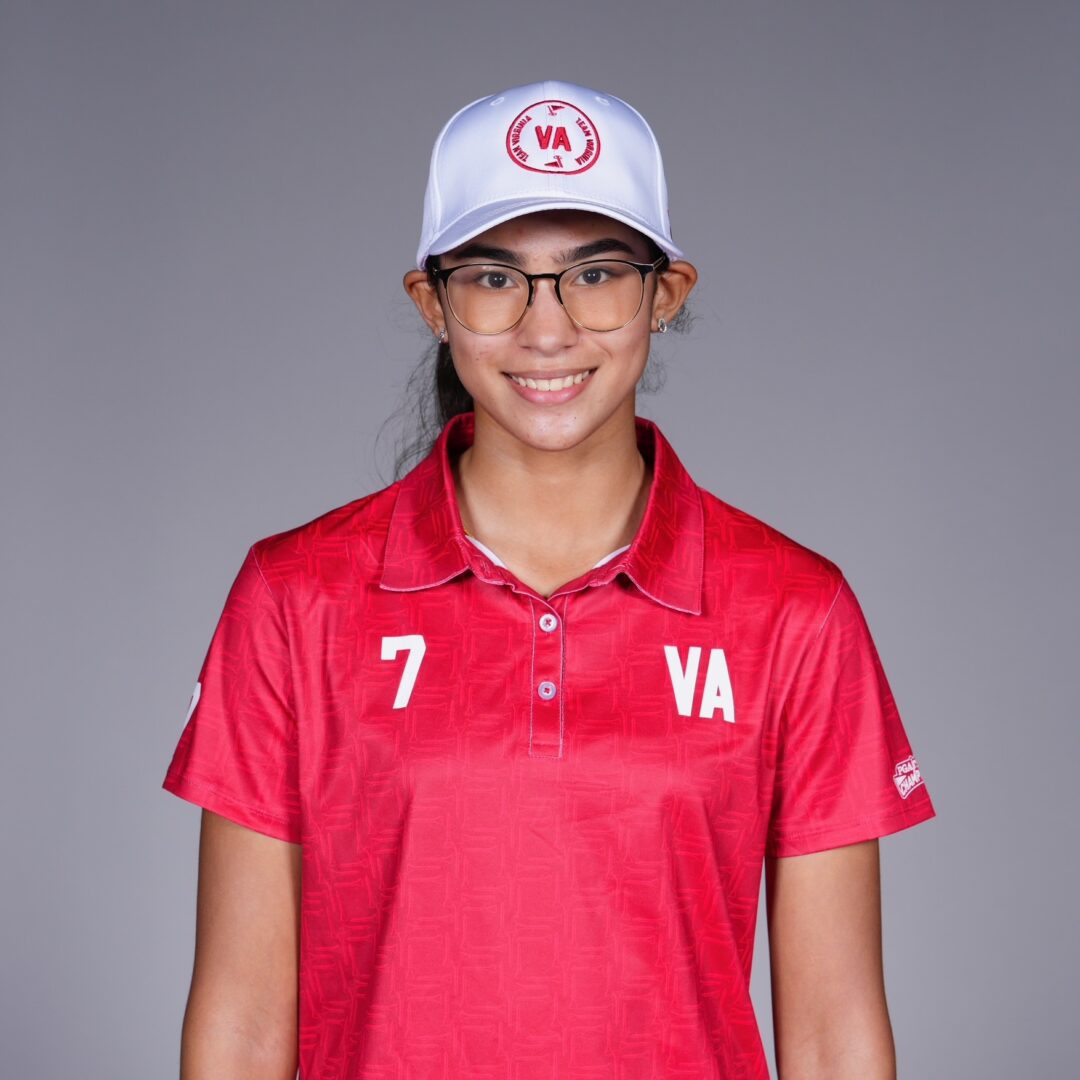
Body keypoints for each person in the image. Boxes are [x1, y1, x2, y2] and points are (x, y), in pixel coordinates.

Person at [162, 79, 936, 1079]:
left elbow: (834, 1038)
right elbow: (243, 1021)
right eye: (494, 278)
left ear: (667, 292)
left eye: (596, 273)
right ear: (431, 301)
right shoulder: (295, 598)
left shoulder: (792, 610)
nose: (547, 329)